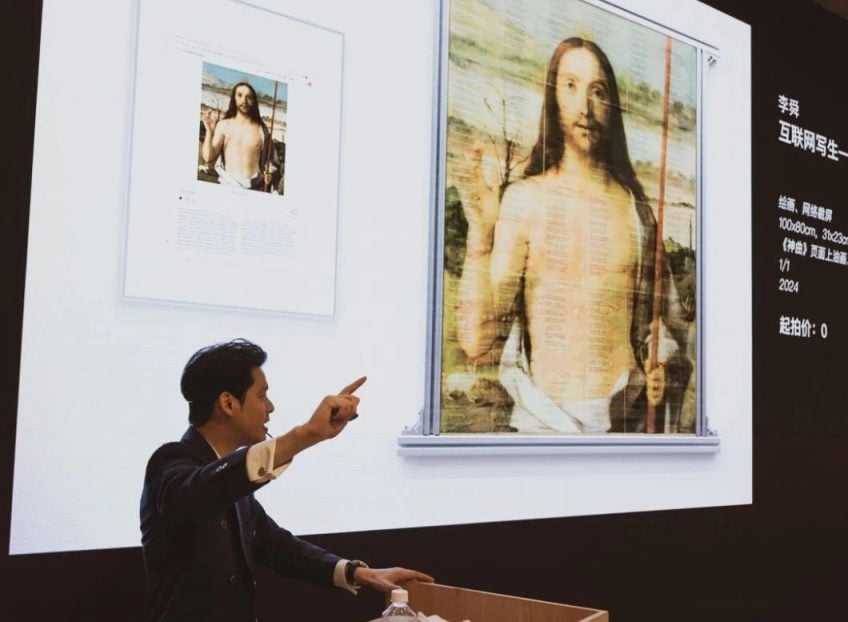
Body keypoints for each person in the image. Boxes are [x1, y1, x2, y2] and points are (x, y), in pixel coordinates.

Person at [456, 37, 691, 434]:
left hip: (622, 424)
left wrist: (660, 364)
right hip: (541, 423)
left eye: (597, 90)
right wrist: (480, 236)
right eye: (570, 86)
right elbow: (477, 341)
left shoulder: (636, 211)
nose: (584, 106)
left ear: (611, 105)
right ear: (554, 97)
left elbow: (661, 326)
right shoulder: (524, 199)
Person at [140, 339, 432, 621]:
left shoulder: (235, 480)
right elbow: (200, 493)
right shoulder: (171, 463)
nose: (271, 407)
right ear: (228, 403)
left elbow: (277, 546)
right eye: (262, 395)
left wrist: (358, 572)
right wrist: (306, 434)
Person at [201, 82, 277, 191]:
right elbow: (208, 157)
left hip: (254, 188)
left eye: (249, 97)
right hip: (227, 185)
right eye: (240, 95)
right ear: (234, 98)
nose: (244, 101)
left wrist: (270, 175)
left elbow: (271, 164)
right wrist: (209, 131)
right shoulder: (223, 125)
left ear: (254, 101)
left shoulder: (262, 130)